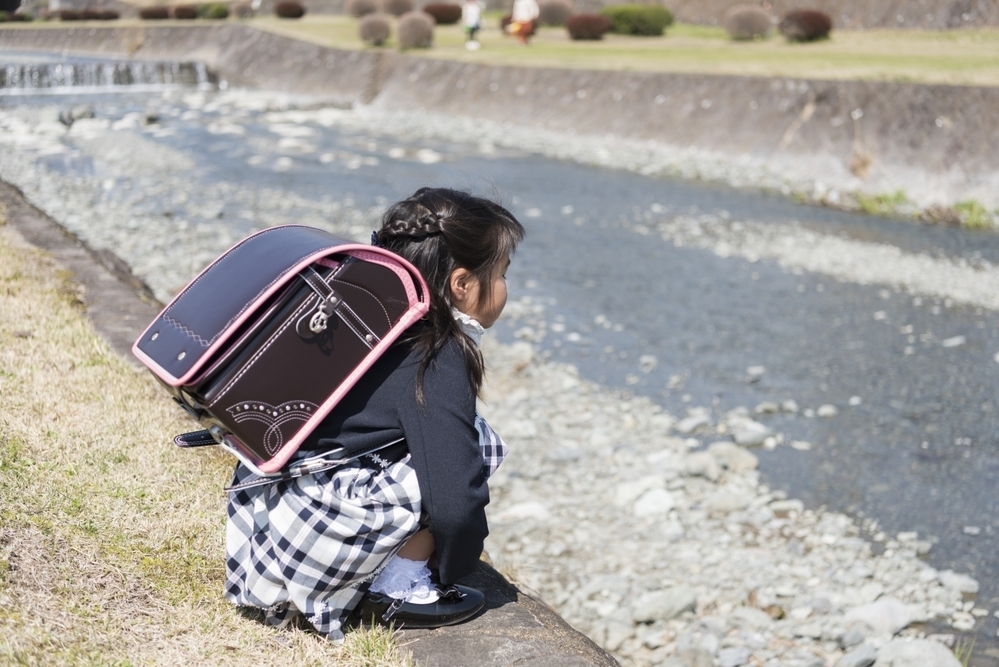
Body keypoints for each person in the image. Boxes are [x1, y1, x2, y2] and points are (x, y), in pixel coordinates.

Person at [223, 188, 525, 642]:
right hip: (313, 542)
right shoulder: (436, 354)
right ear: (461, 284)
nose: (505, 288)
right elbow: (455, 496)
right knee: (478, 444)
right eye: (502, 274)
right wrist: (455, 564)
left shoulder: (371, 317)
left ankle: (372, 569)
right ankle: (397, 587)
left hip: (265, 522)